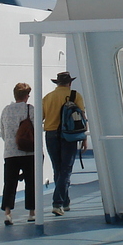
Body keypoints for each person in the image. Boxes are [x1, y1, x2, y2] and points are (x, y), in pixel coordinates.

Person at [42, 71, 86, 216]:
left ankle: (65, 201)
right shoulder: (75, 95)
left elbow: (41, 117)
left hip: (50, 134)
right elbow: (81, 117)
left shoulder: (48, 97)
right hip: (69, 136)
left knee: (58, 169)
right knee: (66, 169)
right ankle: (57, 203)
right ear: (70, 83)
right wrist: (84, 137)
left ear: (57, 83)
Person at [0, 82, 37, 226]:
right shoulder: (30, 109)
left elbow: (3, 132)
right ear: (27, 96)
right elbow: (35, 130)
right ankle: (32, 213)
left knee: (9, 183)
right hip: (28, 151)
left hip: (10, 152)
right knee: (31, 182)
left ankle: (8, 213)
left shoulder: (6, 110)